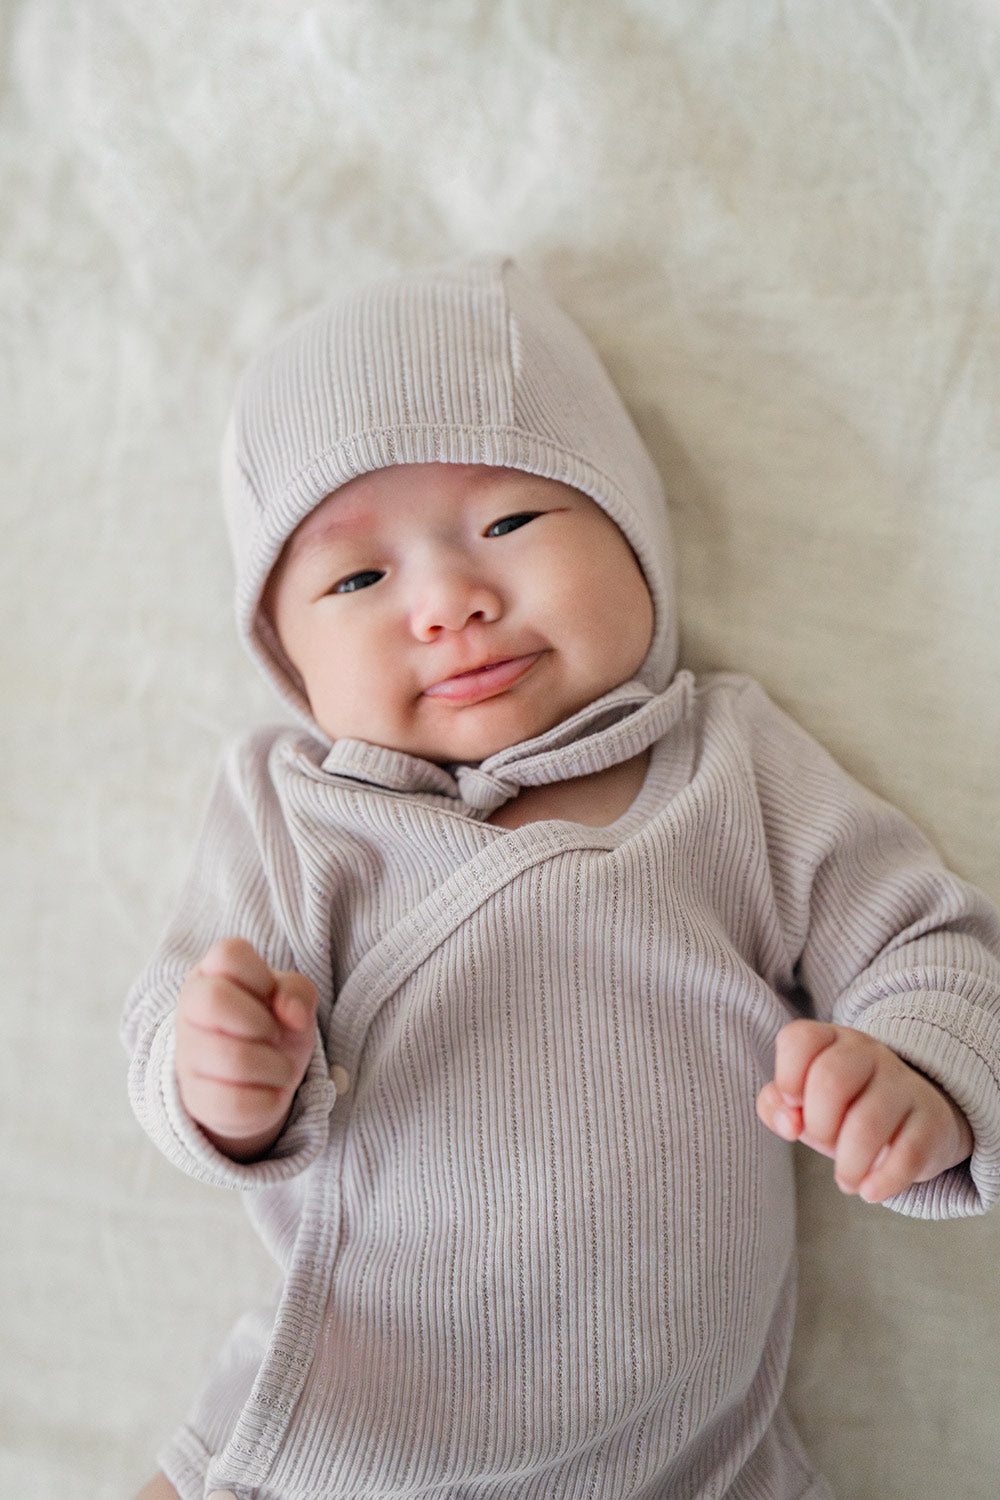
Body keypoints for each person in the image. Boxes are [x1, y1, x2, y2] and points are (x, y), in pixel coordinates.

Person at [124, 257, 1000, 1500]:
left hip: (691, 1455)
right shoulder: (296, 808)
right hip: (357, 1422)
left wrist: (917, 1073)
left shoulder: (726, 766)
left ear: (634, 532)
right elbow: (171, 1007)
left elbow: (926, 943)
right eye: (358, 579)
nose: (449, 602)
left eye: (510, 523)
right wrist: (215, 1075)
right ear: (287, 660)